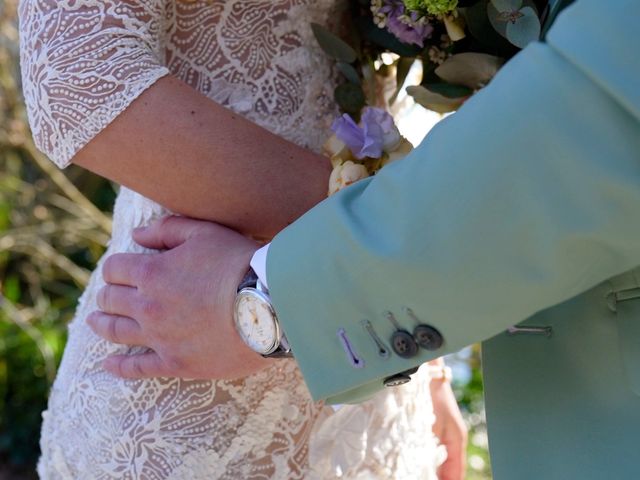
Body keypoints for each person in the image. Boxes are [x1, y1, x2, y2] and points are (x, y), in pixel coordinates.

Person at [91, 0, 640, 478]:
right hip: (189, 346)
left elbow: (604, 113)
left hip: (315, 326)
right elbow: (79, 83)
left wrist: (273, 302)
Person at [19, 0, 466, 478]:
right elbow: (77, 80)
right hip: (192, 376)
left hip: (375, 363)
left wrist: (422, 349)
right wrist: (375, 244)